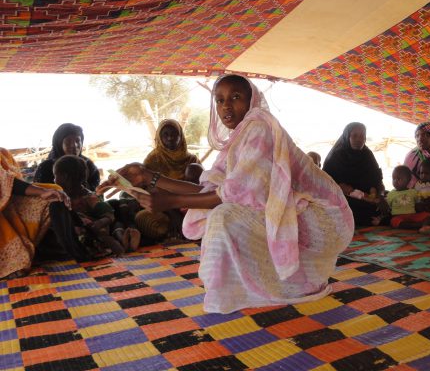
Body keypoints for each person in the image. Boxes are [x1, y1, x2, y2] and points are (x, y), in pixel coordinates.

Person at [98, 74, 354, 314]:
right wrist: (146, 176)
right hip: (304, 213)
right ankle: (274, 286)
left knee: (225, 215)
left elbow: (228, 196)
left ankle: (272, 287)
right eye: (219, 100)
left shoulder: (260, 129)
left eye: (235, 97)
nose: (226, 107)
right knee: (225, 211)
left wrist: (169, 201)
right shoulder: (239, 140)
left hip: (326, 218)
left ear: (251, 100)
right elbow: (211, 190)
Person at [1, 148, 73, 279]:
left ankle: (64, 246)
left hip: (7, 202)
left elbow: (11, 183)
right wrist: (40, 191)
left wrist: (42, 191)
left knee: (55, 191)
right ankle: (10, 262)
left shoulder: (3, 154)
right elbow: (4, 181)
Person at [54, 155, 139, 255]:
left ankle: (123, 244)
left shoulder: (89, 198)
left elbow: (109, 215)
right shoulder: (61, 195)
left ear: (66, 178)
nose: (54, 179)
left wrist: (99, 223)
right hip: (77, 233)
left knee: (107, 240)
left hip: (96, 231)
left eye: (55, 176)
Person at [136, 119, 201, 241]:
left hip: (191, 203)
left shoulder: (192, 160)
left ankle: (188, 226)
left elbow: (202, 187)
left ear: (181, 136)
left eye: (174, 134)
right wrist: (172, 211)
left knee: (194, 169)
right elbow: (150, 191)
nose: (170, 138)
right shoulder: (152, 160)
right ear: (159, 138)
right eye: (165, 134)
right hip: (164, 207)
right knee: (147, 220)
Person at [323, 122, 386, 226]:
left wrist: (381, 196)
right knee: (344, 207)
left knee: (394, 200)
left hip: (368, 198)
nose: (358, 139)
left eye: (362, 136)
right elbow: (326, 184)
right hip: (344, 199)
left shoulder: (368, 155)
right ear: (347, 137)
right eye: (354, 135)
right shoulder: (336, 156)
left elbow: (378, 181)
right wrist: (342, 188)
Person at [34, 123, 101, 191]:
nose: (74, 145)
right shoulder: (46, 168)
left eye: (77, 141)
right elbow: (38, 196)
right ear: (59, 144)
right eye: (68, 141)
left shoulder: (89, 166)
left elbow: (96, 194)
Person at [386, 165, 430, 233]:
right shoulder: (390, 194)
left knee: (428, 215)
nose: (395, 181)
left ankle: (425, 226)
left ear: (408, 180)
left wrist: (421, 204)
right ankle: (418, 225)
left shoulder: (413, 192)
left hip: (412, 216)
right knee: (394, 221)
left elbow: (418, 203)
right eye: (393, 178)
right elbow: (388, 207)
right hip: (399, 217)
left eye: (399, 179)